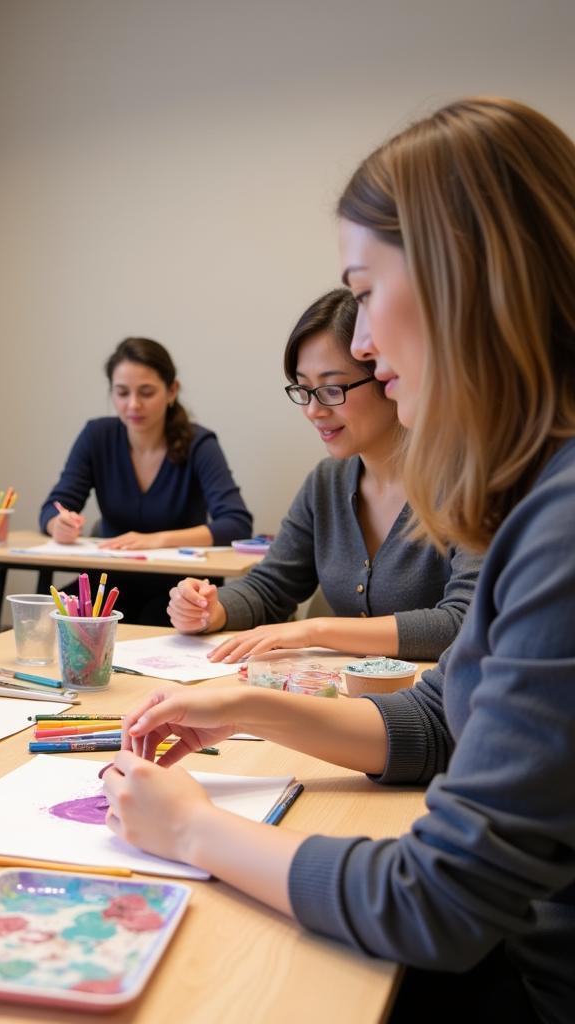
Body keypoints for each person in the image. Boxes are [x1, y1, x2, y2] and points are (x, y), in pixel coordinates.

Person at [102, 98, 575, 1022]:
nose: (360, 341)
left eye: (364, 292)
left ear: (458, 279)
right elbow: (446, 721)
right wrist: (245, 703)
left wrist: (196, 827)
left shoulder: (558, 514)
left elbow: (435, 901)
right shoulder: (532, 487)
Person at [167, 289, 480, 662]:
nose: (314, 410)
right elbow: (271, 587)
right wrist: (210, 608)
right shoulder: (327, 481)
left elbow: (464, 621)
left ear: (388, 376)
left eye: (332, 388)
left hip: (437, 709)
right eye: (304, 388)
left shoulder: (465, 481)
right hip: (349, 702)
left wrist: (315, 630)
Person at [39, 336, 253, 624]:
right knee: (45, 620)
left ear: (171, 391)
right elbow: (53, 508)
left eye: (147, 392)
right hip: (111, 584)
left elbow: (236, 523)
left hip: (181, 590)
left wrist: (156, 540)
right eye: (122, 392)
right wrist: (59, 525)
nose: (133, 405)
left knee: (153, 623)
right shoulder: (96, 436)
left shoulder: (199, 443)